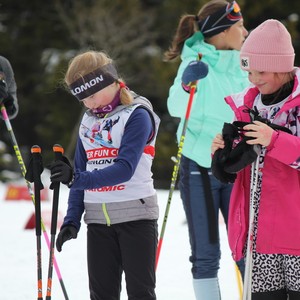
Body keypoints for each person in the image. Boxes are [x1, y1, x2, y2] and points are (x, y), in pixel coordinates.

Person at [49, 50, 160, 300]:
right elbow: (80, 171)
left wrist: (76, 179)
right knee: (101, 295)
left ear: (109, 81)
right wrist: (72, 220)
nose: (88, 104)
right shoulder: (88, 122)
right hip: (98, 220)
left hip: (136, 217)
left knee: (140, 293)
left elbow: (124, 169)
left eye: (91, 95)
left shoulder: (137, 114)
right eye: (82, 99)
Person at [165, 1, 248, 299]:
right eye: (238, 27)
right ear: (222, 32)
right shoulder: (195, 60)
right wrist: (187, 85)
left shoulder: (244, 62)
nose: (245, 31)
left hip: (237, 167)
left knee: (245, 248)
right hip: (200, 167)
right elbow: (175, 106)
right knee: (206, 251)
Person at [211, 19, 300, 299]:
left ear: (282, 67)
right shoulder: (248, 105)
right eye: (248, 72)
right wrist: (224, 152)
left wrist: (274, 139)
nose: (253, 79)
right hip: (260, 236)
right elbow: (242, 163)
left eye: (260, 71)